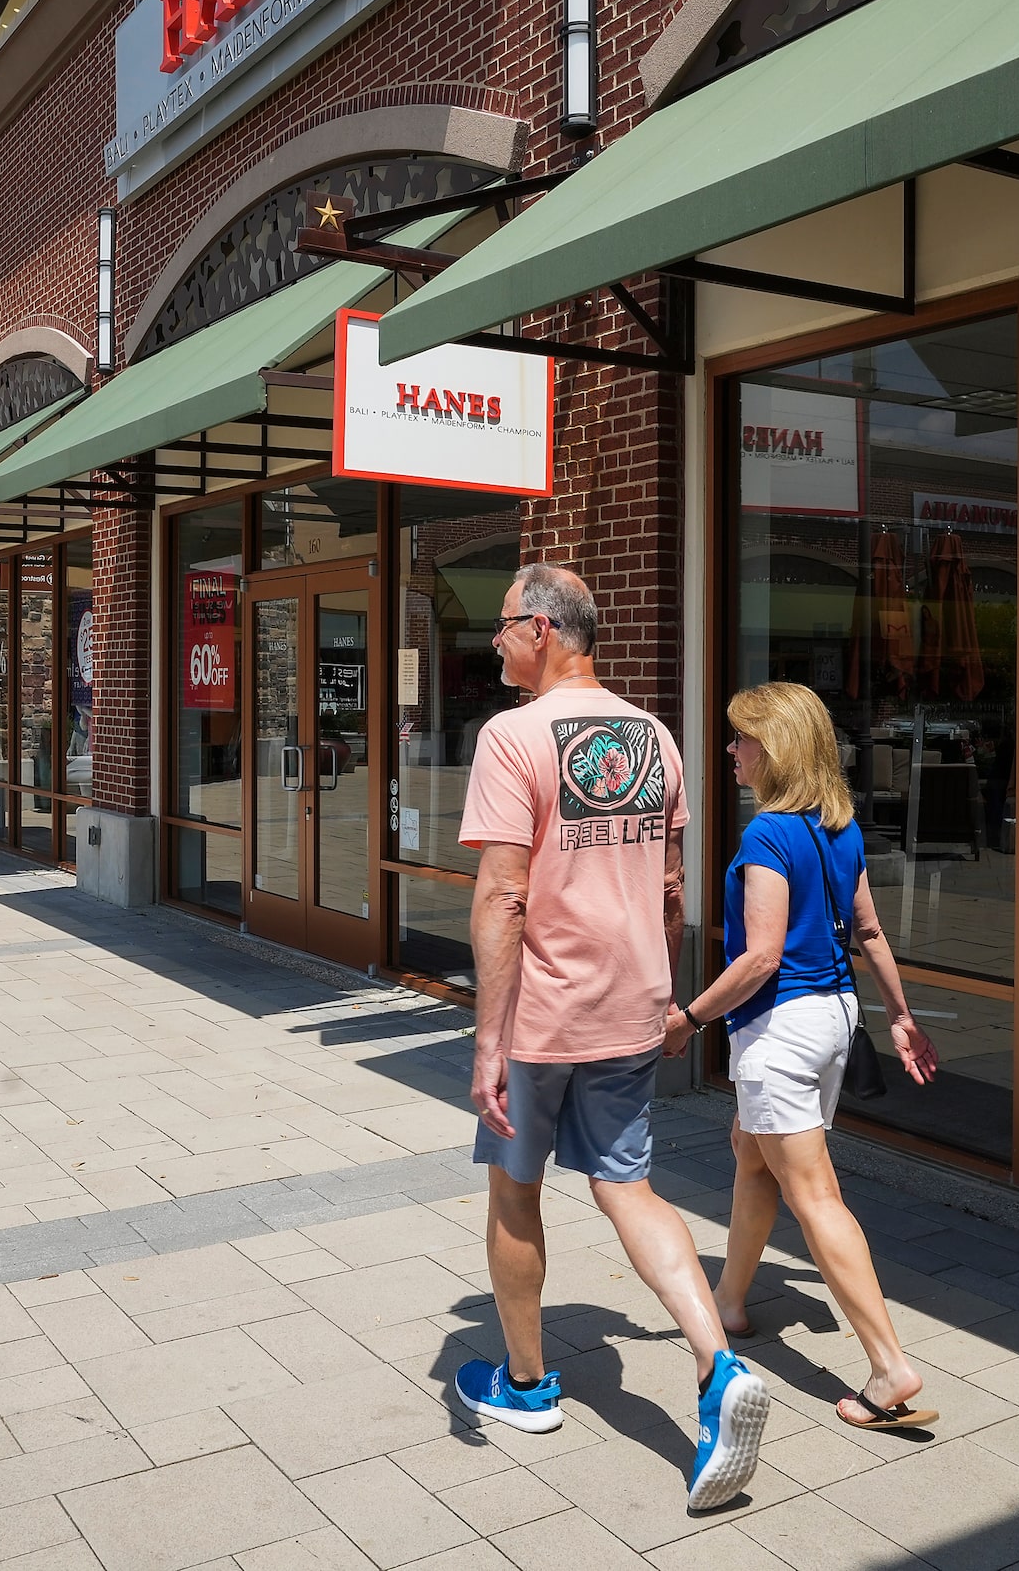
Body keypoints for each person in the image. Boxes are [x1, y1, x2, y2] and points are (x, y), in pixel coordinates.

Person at [453, 563, 772, 1513]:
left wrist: (486, 1040)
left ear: (545, 629)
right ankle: (718, 1369)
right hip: (632, 1004)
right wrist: (665, 995)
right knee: (626, 1186)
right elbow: (672, 884)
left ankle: (523, 1385)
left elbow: (504, 895)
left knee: (515, 1190)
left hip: (542, 1016)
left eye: (505, 625)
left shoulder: (512, 736)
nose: (496, 642)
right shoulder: (657, 737)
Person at [683, 682, 944, 1430]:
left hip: (782, 1031)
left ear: (777, 747)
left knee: (815, 1194)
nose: (731, 750)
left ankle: (889, 1367)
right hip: (831, 1020)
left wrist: (688, 1018)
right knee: (751, 1151)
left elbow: (760, 957)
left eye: (741, 739)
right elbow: (866, 931)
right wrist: (899, 1016)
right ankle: (730, 1300)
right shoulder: (841, 827)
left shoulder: (766, 834)